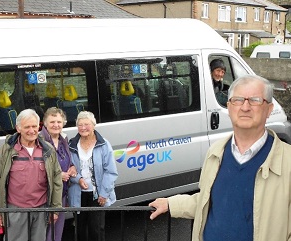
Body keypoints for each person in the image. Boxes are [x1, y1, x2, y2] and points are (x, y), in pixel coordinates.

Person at [149, 74, 291, 241]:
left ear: (269, 109)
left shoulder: (287, 160)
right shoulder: (215, 152)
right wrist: (171, 204)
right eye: (237, 100)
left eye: (254, 100)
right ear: (229, 107)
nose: (245, 107)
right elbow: (207, 201)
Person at [0, 109, 63, 241]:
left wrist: (55, 208)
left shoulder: (48, 150)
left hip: (41, 210)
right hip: (15, 211)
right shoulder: (7, 150)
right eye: (27, 127)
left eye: (34, 126)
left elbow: (57, 180)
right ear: (18, 128)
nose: (31, 130)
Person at [68, 111, 118, 241]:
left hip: (98, 194)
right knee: (80, 229)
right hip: (78, 194)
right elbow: (68, 168)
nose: (83, 128)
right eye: (80, 125)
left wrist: (104, 194)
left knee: (96, 229)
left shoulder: (104, 144)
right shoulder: (71, 144)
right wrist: (77, 179)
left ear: (94, 125)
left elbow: (111, 171)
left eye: (86, 124)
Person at [39, 107, 77, 241]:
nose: (56, 125)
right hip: (44, 195)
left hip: (61, 193)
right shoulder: (39, 140)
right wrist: (57, 175)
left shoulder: (63, 139)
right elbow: (34, 167)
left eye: (59, 122)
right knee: (44, 230)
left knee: (57, 230)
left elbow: (66, 159)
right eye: (52, 122)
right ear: (45, 123)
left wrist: (72, 167)